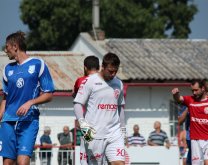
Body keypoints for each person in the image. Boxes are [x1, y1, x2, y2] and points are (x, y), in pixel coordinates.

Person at [0, 31, 54, 165]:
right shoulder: (7, 69)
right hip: (8, 121)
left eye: (7, 47)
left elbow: (49, 94)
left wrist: (30, 102)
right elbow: (5, 97)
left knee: (22, 162)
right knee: (7, 163)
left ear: (15, 46)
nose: (5, 50)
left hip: (29, 120)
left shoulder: (38, 64)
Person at [73, 52, 126, 165]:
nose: (113, 74)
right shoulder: (90, 81)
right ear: (103, 67)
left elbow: (120, 107)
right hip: (93, 133)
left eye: (115, 71)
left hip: (114, 132)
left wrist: (123, 129)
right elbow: (77, 103)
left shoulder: (119, 83)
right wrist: (83, 123)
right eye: (110, 71)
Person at [172, 80, 208, 165]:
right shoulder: (190, 100)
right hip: (194, 140)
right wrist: (175, 94)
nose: (194, 93)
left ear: (202, 88)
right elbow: (179, 99)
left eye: (196, 90)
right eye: (192, 90)